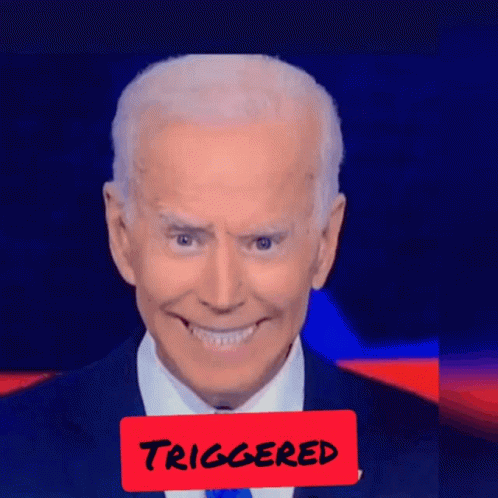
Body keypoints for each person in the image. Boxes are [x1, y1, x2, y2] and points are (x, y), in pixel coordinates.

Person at [0, 54, 437, 497]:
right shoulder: (11, 457)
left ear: (324, 243)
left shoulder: (440, 464)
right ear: (122, 235)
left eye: (263, 242)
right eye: (185, 240)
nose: (223, 296)